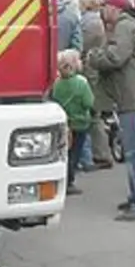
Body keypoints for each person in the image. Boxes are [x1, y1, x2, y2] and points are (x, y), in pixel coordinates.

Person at [85, 0, 135, 221]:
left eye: (104, 6)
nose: (102, 11)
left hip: (133, 96)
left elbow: (116, 57)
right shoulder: (128, 25)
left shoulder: (124, 27)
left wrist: (93, 57)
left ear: (115, 8)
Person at [78, 0, 115, 171]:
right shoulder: (96, 21)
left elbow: (82, 46)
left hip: (90, 71)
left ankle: (100, 154)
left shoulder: (89, 23)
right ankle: (98, 154)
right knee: (94, 114)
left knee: (93, 114)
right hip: (94, 71)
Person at [50, 50, 94, 196]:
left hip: (64, 122)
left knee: (64, 152)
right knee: (74, 153)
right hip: (79, 123)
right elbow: (89, 102)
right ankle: (69, 181)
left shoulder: (56, 83)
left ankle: (61, 179)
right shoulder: (81, 83)